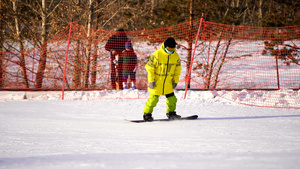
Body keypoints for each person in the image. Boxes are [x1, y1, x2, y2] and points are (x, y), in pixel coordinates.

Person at [143, 37, 181, 121]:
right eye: (169, 48)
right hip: (156, 82)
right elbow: (149, 68)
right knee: (153, 99)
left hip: (168, 83)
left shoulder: (176, 56)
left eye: (173, 48)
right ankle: (147, 114)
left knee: (172, 99)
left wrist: (175, 81)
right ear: (165, 46)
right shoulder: (156, 54)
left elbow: (177, 70)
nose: (171, 50)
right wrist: (151, 80)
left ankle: (171, 113)